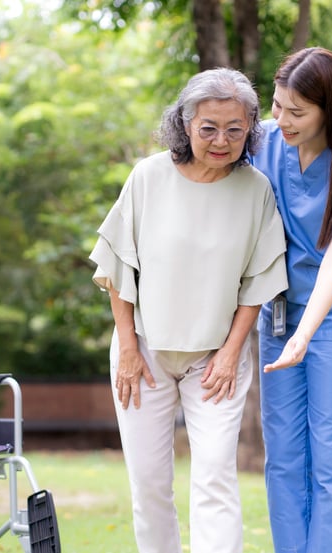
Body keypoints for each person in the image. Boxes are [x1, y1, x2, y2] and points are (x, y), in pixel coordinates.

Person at [89, 67, 288, 553]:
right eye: (209, 128)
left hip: (216, 360)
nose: (221, 140)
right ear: (184, 124)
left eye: (235, 130)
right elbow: (119, 268)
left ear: (251, 129)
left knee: (216, 478)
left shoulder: (256, 189)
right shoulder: (148, 177)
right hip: (144, 354)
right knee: (150, 484)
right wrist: (130, 349)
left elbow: (256, 283)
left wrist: (230, 352)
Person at [251, 47, 332, 553]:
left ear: (330, 109)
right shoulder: (263, 140)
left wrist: (304, 338)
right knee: (283, 457)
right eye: (278, 106)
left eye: (297, 112)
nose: (281, 120)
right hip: (279, 313)